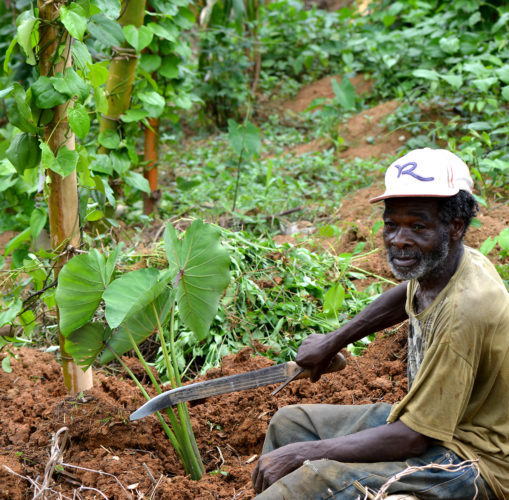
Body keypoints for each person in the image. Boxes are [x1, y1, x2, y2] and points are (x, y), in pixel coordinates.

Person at [251, 148, 509, 499]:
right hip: (437, 426)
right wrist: (334, 340)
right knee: (291, 424)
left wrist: (301, 456)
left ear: (455, 226)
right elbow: (407, 294)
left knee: (311, 478)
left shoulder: (465, 311)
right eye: (392, 224)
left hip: (471, 459)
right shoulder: (445, 265)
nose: (400, 239)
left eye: (418, 226)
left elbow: (412, 437)